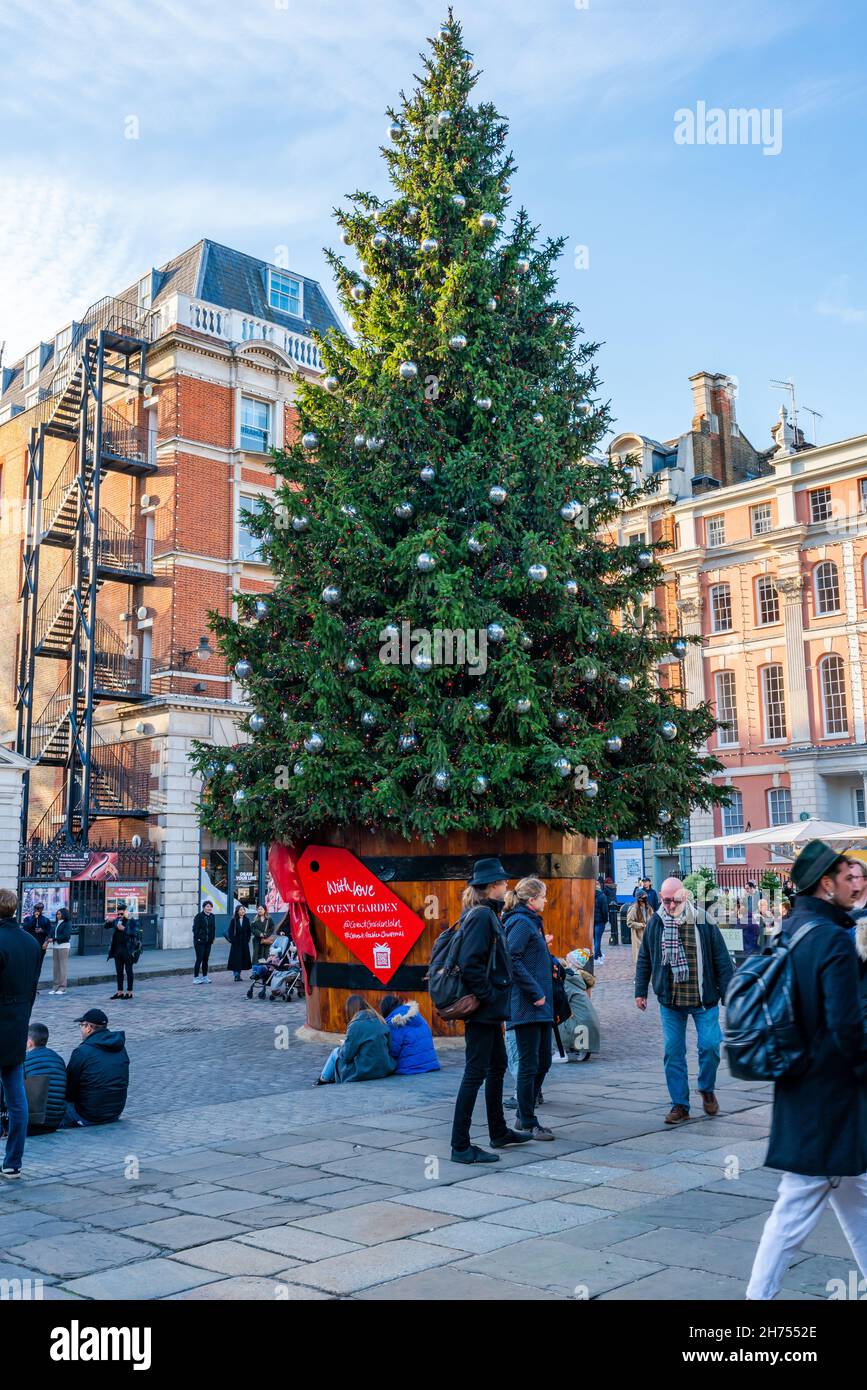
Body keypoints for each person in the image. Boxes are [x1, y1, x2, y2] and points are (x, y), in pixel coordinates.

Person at [746, 841, 867, 1299]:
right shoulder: (832, 939)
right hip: (827, 1100)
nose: (852, 883)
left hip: (806, 1091)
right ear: (825, 883)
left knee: (856, 1201)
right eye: (844, 875)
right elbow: (846, 1026)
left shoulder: (793, 929)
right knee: (792, 1215)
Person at [447, 857, 533, 1164]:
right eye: (503, 882)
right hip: (483, 1010)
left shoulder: (485, 913)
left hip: (490, 1010)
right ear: (492, 887)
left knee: (497, 1065)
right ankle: (460, 1146)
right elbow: (470, 964)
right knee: (475, 1073)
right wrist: (487, 996)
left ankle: (498, 1131)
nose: (507, 886)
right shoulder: (482, 916)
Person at [635, 875, 733, 1125]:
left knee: (710, 1046)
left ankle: (706, 1088)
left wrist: (730, 993)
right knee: (672, 1051)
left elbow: (722, 959)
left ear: (685, 896)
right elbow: (645, 957)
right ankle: (680, 1104)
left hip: (703, 998)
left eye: (673, 900)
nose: (668, 905)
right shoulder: (656, 923)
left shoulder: (704, 920)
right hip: (671, 1001)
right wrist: (641, 991)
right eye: (665, 900)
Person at [502, 876, 555, 1140]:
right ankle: (527, 1119)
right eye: (543, 896)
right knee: (529, 1064)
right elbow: (511, 958)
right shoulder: (521, 923)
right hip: (526, 1006)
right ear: (532, 900)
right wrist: (534, 992)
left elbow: (530, 957)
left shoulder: (531, 922)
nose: (546, 900)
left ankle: (525, 1114)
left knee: (543, 1060)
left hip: (540, 1006)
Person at [0, 888, 42, 1176]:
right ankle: (13, 1161)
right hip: (17, 1026)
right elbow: (33, 987)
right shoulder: (30, 942)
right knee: (17, 1098)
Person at [63, 1008, 130, 1126]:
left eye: (81, 1026)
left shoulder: (82, 1051)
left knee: (53, 1103)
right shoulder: (120, 1048)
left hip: (89, 1115)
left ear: (89, 1028)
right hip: (115, 1112)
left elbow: (69, 1088)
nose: (81, 1029)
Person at [315, 995, 396, 1084]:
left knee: (335, 1052)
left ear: (350, 1010)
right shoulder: (381, 1020)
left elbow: (346, 1057)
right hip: (384, 1068)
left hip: (365, 1071)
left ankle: (322, 1080)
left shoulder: (355, 1025)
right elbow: (389, 1048)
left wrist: (344, 1045)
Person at [558, 949, 601, 1060]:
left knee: (557, 1023)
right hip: (589, 1020)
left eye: (567, 960)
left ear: (572, 964)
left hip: (581, 1023)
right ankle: (582, 1049)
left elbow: (562, 999)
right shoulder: (579, 979)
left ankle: (560, 1052)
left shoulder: (569, 978)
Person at [24, 1023, 67, 1134]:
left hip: (32, 1123)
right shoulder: (59, 1059)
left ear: (29, 1042)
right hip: (55, 1122)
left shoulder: (24, 1060)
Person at [381, 993, 440, 1075]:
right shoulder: (416, 1015)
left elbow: (393, 1051)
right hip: (430, 1064)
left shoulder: (395, 1022)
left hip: (409, 1068)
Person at [105, 908, 140, 999]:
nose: (120, 916)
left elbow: (135, 933)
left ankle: (129, 992)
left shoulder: (132, 921)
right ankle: (120, 992)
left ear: (126, 912)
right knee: (119, 972)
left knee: (129, 971)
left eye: (121, 914)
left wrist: (124, 929)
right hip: (117, 950)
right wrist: (108, 921)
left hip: (128, 951)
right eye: (118, 914)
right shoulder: (117, 920)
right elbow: (106, 926)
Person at [48, 906, 72, 995]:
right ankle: (55, 986)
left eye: (59, 914)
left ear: (63, 914)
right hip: (56, 947)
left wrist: (54, 939)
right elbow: (51, 933)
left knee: (62, 967)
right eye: (57, 914)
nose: (57, 915)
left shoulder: (67, 923)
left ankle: (62, 987)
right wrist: (49, 938)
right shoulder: (56, 923)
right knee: (56, 968)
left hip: (63, 947)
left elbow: (66, 936)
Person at [192, 900, 216, 983]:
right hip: (200, 942)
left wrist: (212, 939)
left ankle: (205, 977)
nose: (209, 908)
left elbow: (213, 928)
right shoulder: (199, 916)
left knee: (206, 959)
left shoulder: (212, 916)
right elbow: (195, 929)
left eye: (210, 906)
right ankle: (196, 978)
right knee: (199, 958)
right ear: (204, 907)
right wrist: (198, 938)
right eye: (207, 906)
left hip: (208, 942)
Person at [627, 888, 652, 966]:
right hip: (638, 936)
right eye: (643, 897)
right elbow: (629, 923)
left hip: (648, 934)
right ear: (639, 898)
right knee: (640, 956)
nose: (645, 899)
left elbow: (652, 918)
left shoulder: (649, 908)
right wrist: (640, 925)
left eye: (646, 897)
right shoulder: (634, 909)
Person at [227, 904, 251, 982]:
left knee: (241, 959)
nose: (242, 911)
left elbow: (248, 932)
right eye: (241, 909)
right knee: (236, 959)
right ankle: (236, 974)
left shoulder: (246, 920)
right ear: (237, 911)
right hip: (236, 943)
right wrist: (233, 941)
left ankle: (239, 974)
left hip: (244, 943)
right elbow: (230, 932)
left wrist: (247, 940)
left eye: (243, 909)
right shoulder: (233, 920)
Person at [593, 881, 609, 965]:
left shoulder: (589, 895)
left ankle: (599, 954)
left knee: (595, 939)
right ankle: (596, 958)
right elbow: (605, 910)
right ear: (598, 886)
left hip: (591, 921)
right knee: (597, 940)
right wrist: (605, 920)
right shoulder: (602, 896)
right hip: (600, 921)